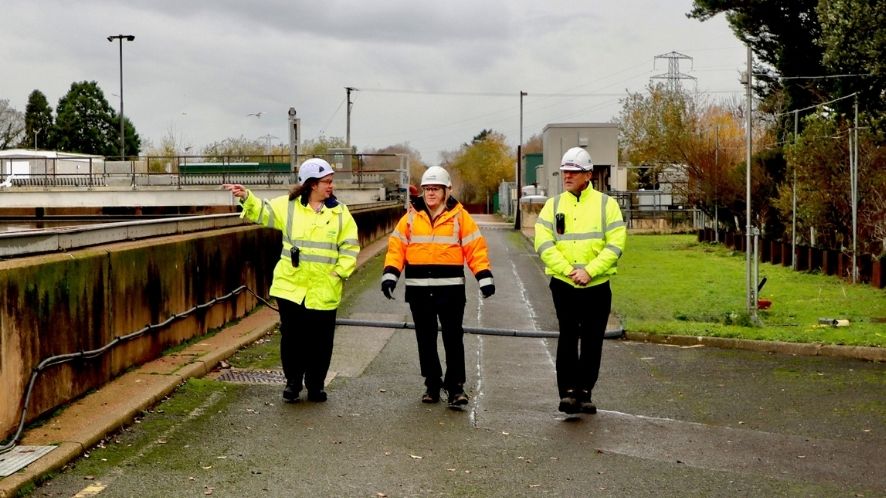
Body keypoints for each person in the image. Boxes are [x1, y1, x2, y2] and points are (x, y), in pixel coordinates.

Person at [223, 158, 360, 403]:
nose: (331, 186)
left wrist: (340, 272)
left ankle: (316, 385)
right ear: (310, 185)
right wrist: (245, 196)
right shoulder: (288, 207)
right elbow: (262, 211)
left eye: (330, 182)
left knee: (320, 341)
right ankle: (293, 383)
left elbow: (350, 246)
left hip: (323, 287)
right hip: (291, 286)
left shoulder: (340, 213)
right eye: (326, 182)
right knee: (293, 338)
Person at [381, 166, 495, 407]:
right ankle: (432, 384)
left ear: (446, 191)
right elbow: (396, 248)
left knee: (453, 338)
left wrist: (484, 277)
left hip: (450, 290)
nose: (431, 193)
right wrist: (390, 275)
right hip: (419, 290)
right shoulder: (410, 218)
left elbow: (475, 248)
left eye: (435, 189)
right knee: (426, 338)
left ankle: (456, 388)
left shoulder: (460, 217)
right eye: (427, 189)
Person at [534, 147, 626, 415]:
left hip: (596, 285)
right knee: (568, 336)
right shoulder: (553, 205)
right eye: (565, 171)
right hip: (564, 284)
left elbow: (616, 243)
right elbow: (544, 242)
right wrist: (569, 270)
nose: (567, 175)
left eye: (573, 171)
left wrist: (590, 271)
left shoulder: (606, 205)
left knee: (592, 339)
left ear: (588, 174)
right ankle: (568, 393)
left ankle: (585, 391)